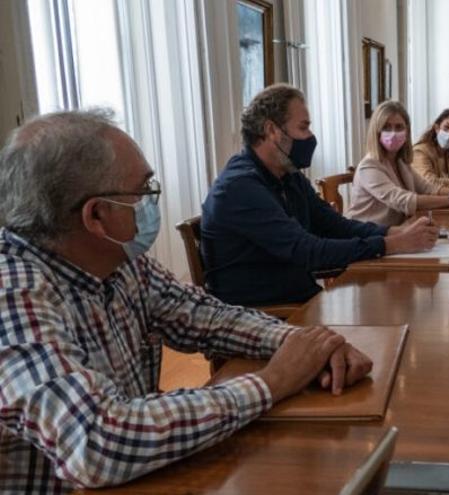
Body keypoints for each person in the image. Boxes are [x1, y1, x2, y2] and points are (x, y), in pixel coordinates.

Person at [0, 110, 372, 492]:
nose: (151, 202)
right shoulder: (10, 291)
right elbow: (96, 441)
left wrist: (302, 345)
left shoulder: (117, 262)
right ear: (96, 215)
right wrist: (271, 382)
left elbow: (202, 315)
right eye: (144, 190)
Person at [201, 84, 439, 306]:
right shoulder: (240, 187)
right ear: (272, 130)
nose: (309, 136)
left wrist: (392, 232)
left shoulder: (287, 174)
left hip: (299, 298)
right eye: (303, 127)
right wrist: (392, 244)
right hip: (268, 314)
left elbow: (334, 225)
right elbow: (306, 251)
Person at [347, 101, 449, 226]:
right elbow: (406, 201)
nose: (393, 133)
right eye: (387, 127)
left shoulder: (401, 162)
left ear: (407, 131)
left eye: (399, 127)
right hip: (369, 240)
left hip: (398, 230)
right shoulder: (369, 166)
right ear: (376, 131)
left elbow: (428, 188)